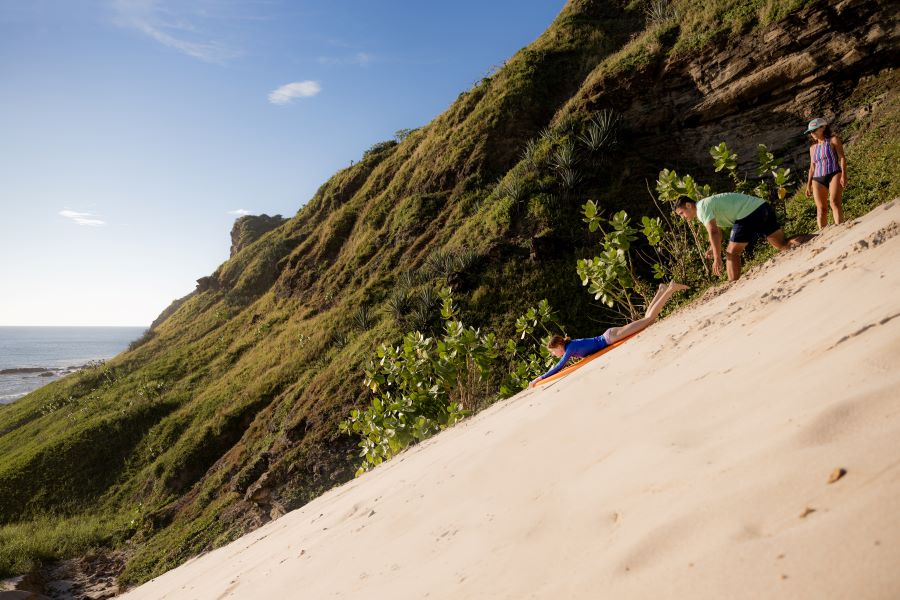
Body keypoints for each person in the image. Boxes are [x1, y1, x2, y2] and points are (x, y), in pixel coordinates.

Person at [528, 282, 688, 387]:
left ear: (558, 346)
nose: (554, 354)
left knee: (649, 319)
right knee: (646, 320)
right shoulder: (571, 346)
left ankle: (670, 290)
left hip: (611, 337)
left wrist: (539, 378)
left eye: (553, 351)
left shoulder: (570, 348)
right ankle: (661, 290)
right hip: (610, 335)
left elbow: (559, 366)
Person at [674, 192, 802, 281]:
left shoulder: (701, 208)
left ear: (689, 205)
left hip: (748, 214)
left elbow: (712, 232)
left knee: (732, 253)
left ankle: (733, 285)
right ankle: (818, 237)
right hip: (762, 207)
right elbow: (718, 233)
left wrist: (717, 258)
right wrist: (712, 248)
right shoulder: (705, 206)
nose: (683, 217)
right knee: (783, 245)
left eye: (681, 213)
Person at [804, 117, 847, 229]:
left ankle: (840, 228)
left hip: (834, 173)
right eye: (810, 132)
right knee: (821, 209)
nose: (812, 133)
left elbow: (842, 158)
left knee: (834, 202)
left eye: (814, 130)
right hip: (817, 179)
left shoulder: (834, 140)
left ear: (823, 127)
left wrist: (844, 175)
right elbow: (812, 167)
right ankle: (823, 234)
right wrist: (808, 185)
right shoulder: (813, 148)